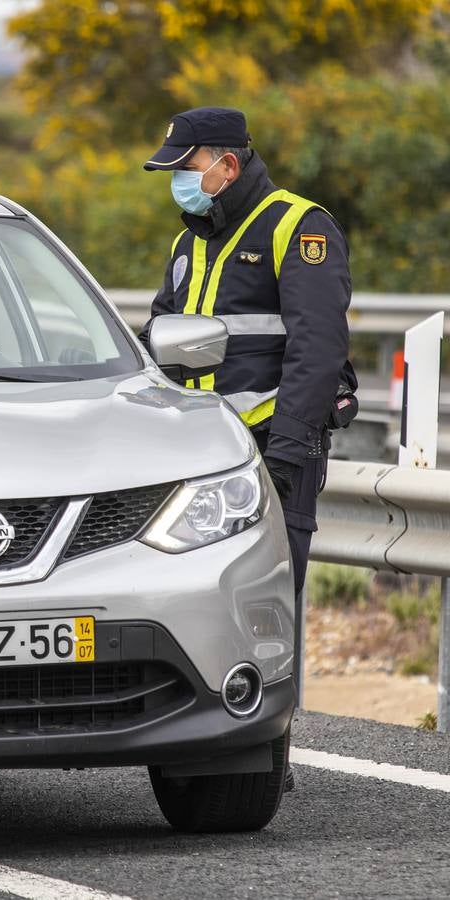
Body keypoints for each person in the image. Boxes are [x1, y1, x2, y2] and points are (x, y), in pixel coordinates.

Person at [142, 107, 356, 730]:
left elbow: (318, 351)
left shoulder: (298, 227)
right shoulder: (190, 241)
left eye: (186, 169)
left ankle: (264, 747)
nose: (177, 182)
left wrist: (288, 452)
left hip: (272, 448)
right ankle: (200, 732)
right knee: (199, 601)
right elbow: (159, 337)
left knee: (267, 610)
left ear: (227, 164)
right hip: (197, 456)